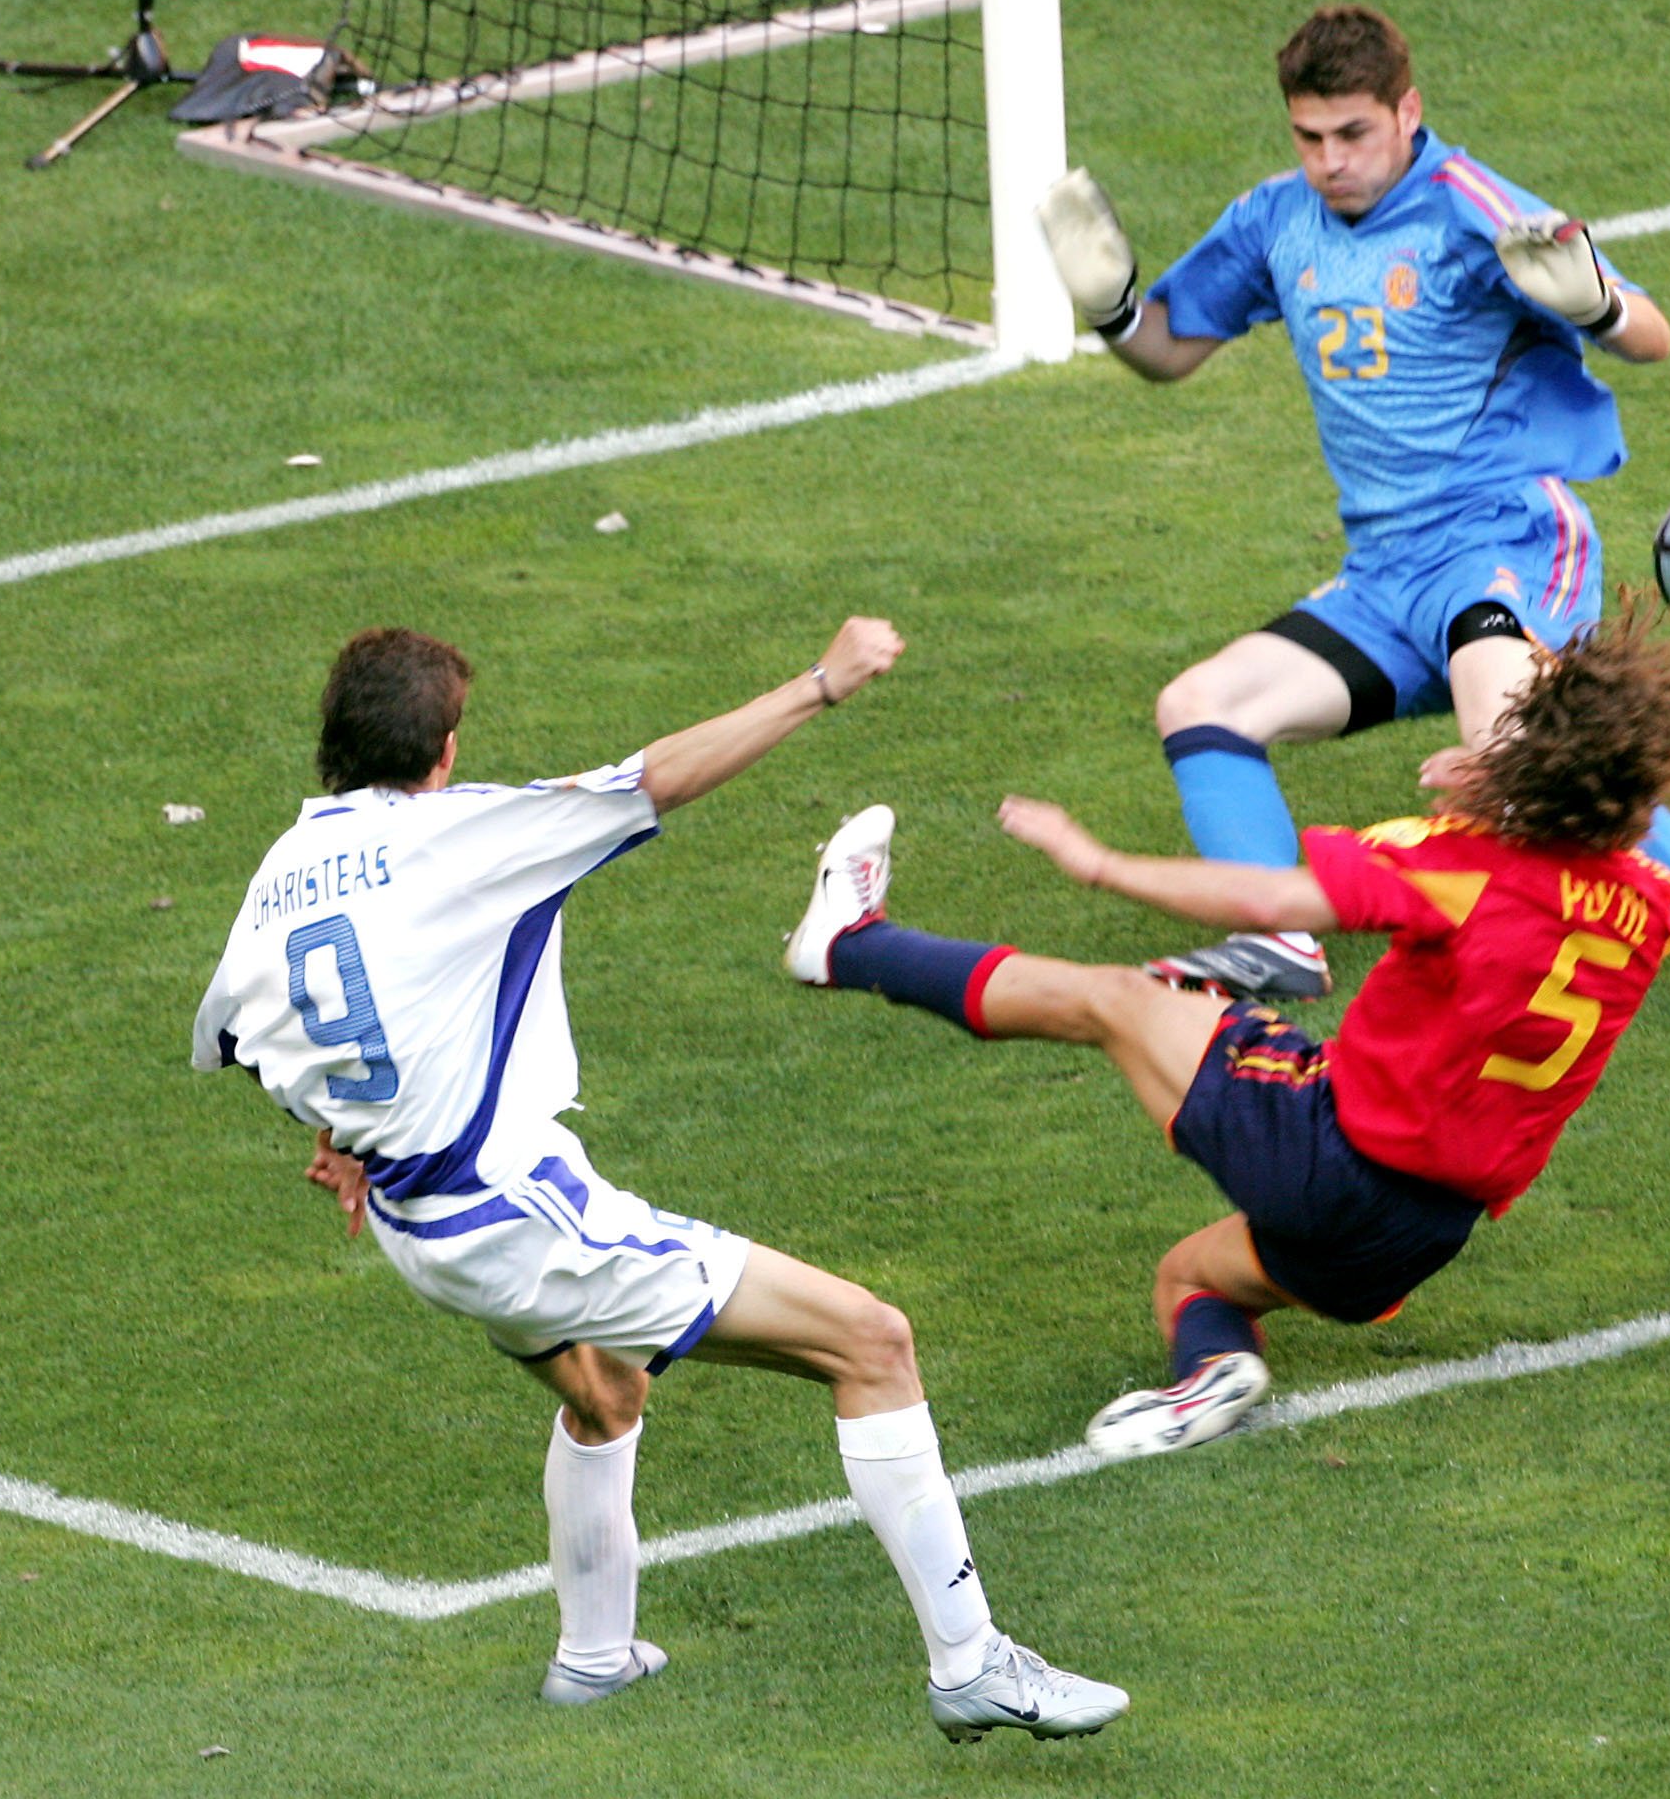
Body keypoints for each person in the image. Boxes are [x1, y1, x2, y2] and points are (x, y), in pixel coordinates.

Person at [192, 620, 1126, 1743]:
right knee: (871, 1341)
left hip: (418, 1225)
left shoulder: (281, 874)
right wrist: (821, 684)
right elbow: (655, 778)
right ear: (443, 750)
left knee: (606, 1391)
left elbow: (235, 1035)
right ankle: (972, 1662)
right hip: (519, 1218)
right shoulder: (461, 833)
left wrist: (338, 1134)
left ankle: (594, 1660)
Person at [786, 595, 1670, 1455]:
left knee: (1114, 1000)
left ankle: (851, 944)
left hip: (1327, 1152)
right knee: (1189, 1277)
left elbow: (1276, 898)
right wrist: (1497, 789)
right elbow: (1563, 873)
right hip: (1420, 1236)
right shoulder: (1652, 903)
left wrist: (1098, 862)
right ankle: (1210, 1370)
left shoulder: (1459, 867)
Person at [1035, 3, 1670, 1019]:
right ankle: (1275, 938)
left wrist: (1595, 303)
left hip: (1504, 537)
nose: (1330, 161)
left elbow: (1651, 337)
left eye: (1353, 133)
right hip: (1383, 577)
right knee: (1199, 705)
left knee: (1518, 744)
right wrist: (1110, 310)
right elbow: (1167, 350)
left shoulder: (1469, 208)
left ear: (1407, 112)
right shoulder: (1275, 219)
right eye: (1309, 136)